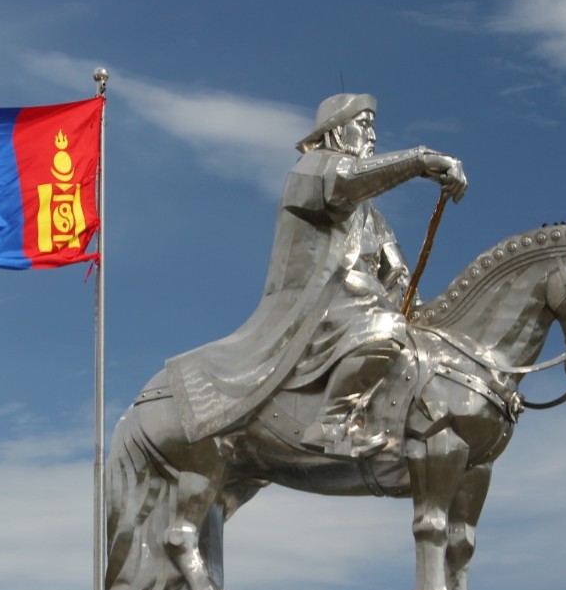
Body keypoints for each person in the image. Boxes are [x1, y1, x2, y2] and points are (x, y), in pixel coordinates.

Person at [165, 93, 468, 457]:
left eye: (374, 128)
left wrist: (425, 316)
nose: (372, 136)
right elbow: (349, 181)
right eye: (364, 125)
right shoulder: (311, 170)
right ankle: (332, 424)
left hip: (359, 308)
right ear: (337, 133)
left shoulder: (372, 217)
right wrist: (420, 160)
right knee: (385, 328)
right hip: (316, 306)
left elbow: (397, 275)